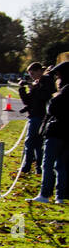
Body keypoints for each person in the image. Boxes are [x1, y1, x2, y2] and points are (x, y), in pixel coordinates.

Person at [30, 62, 69, 204]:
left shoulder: (64, 91)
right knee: (61, 165)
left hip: (57, 131)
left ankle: (45, 194)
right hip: (65, 133)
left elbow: (53, 108)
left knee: (48, 164)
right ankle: (60, 195)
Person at [18, 62, 53, 174]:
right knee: (37, 144)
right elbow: (28, 101)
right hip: (34, 114)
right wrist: (22, 89)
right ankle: (37, 167)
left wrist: (35, 88)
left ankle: (28, 166)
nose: (32, 76)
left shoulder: (46, 82)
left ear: (39, 71)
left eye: (33, 73)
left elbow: (45, 97)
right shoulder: (37, 83)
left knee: (31, 142)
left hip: (40, 116)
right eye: (30, 74)